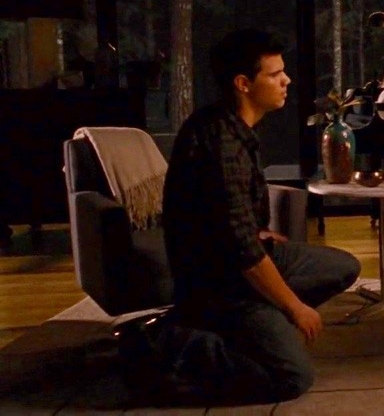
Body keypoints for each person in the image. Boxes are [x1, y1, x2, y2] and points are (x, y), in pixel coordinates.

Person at [124, 29, 362, 405]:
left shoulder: (235, 129)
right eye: (275, 74)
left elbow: (227, 219)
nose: (286, 80)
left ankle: (258, 322)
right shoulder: (221, 142)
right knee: (291, 377)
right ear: (243, 83)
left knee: (341, 267)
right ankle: (169, 344)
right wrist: (294, 307)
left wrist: (259, 233)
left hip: (240, 262)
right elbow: (240, 251)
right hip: (219, 284)